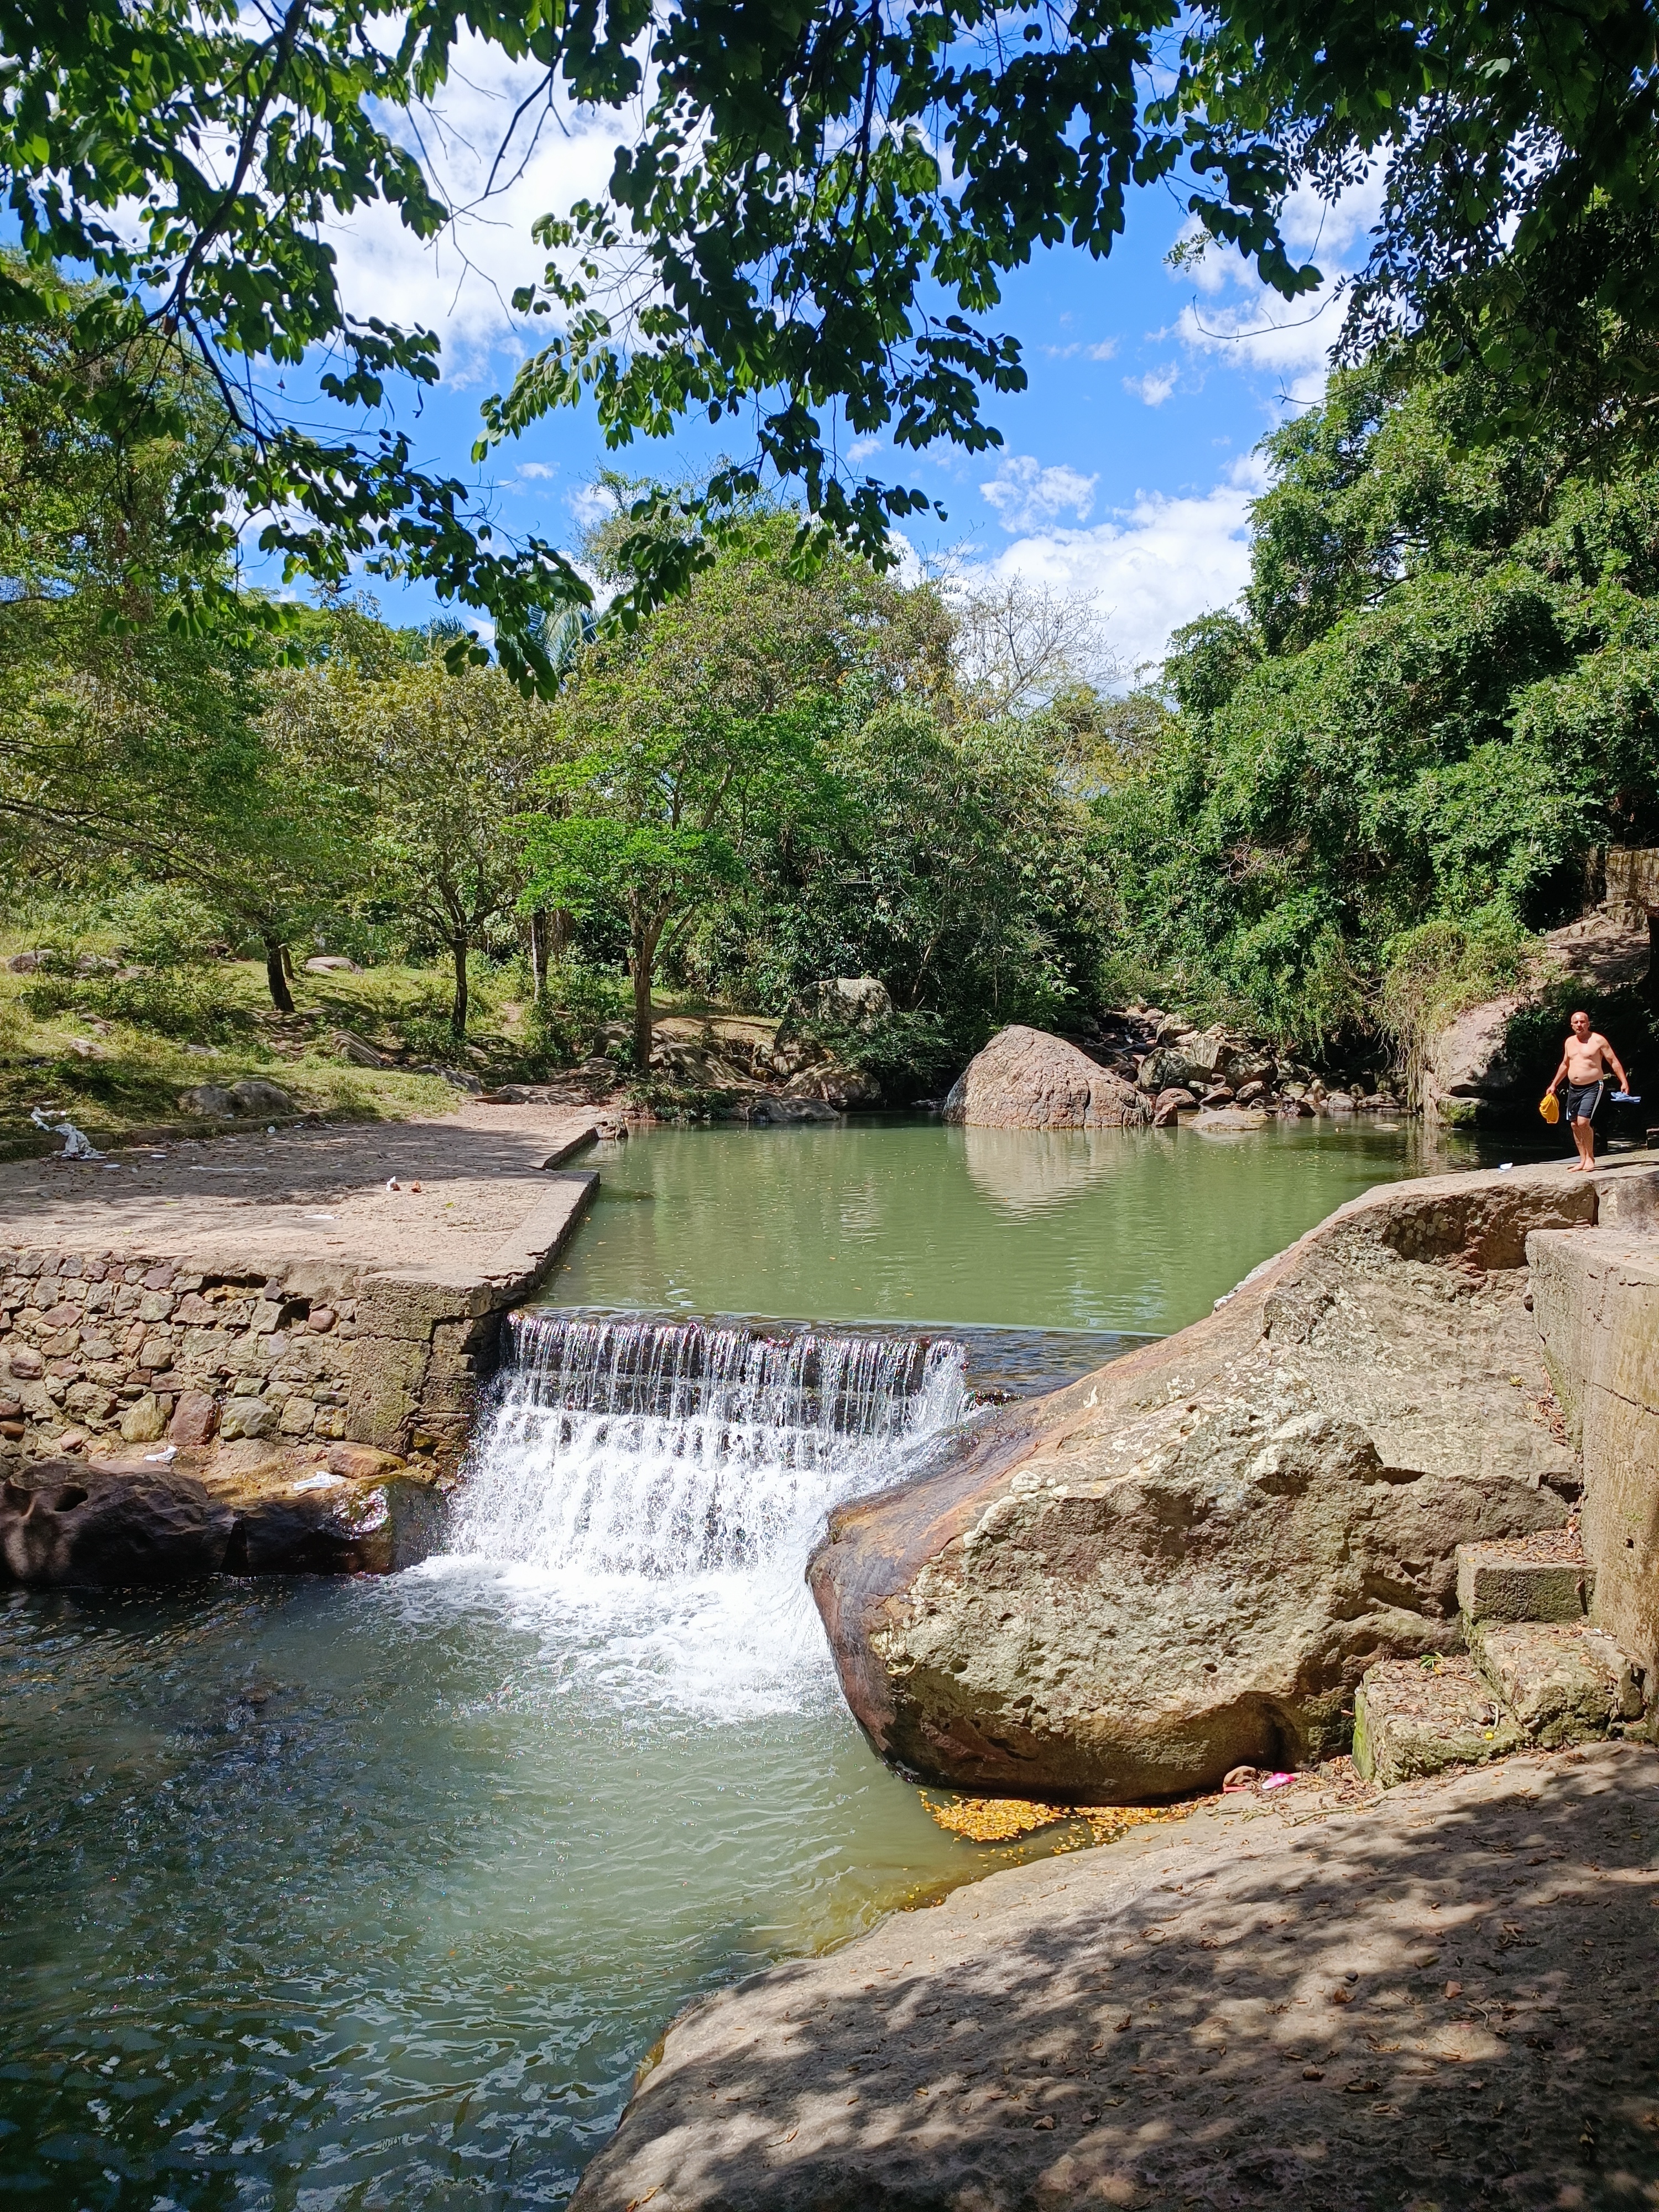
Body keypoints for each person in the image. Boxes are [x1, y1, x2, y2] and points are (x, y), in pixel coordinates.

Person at [1550, 1011, 1630, 1171]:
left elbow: (1613, 1061)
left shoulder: (1598, 1040)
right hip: (1574, 1088)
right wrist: (1554, 1084)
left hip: (1593, 1086)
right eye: (1576, 1023)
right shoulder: (1569, 1042)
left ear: (1588, 1024)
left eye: (1583, 1022)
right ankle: (1583, 1159)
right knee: (1574, 1125)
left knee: (1583, 1122)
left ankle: (1591, 1158)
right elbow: (1565, 1064)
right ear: (1572, 1026)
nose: (1579, 1025)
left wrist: (1624, 1081)